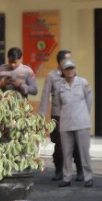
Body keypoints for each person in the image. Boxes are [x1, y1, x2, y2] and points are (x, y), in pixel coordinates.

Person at [44, 57, 95, 188]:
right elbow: (58, 103)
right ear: (63, 71)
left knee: (84, 151)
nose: (69, 71)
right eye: (67, 69)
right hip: (66, 122)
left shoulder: (83, 82)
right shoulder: (59, 86)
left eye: (71, 68)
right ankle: (67, 177)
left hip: (81, 122)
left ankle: (88, 177)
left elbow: (89, 101)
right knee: (66, 151)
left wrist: (83, 113)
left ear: (75, 69)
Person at [39, 49, 73, 181]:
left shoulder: (73, 74)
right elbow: (45, 95)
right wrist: (41, 117)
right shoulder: (51, 76)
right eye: (68, 59)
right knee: (59, 144)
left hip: (72, 115)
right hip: (57, 115)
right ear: (61, 61)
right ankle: (59, 170)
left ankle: (77, 171)